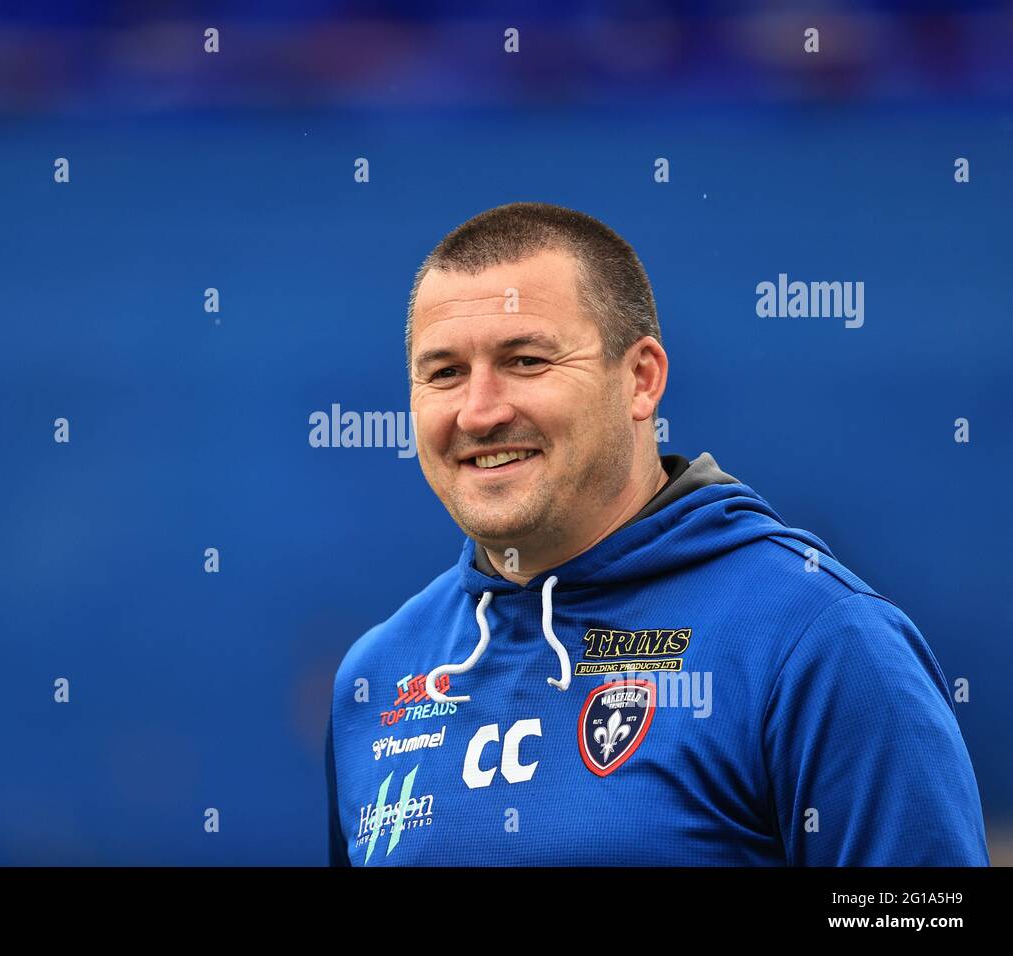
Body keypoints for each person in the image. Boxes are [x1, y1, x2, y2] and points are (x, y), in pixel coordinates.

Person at [325, 201, 988, 866]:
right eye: (444, 373)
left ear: (640, 380)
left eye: (526, 360)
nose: (479, 410)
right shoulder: (380, 677)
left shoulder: (818, 643)